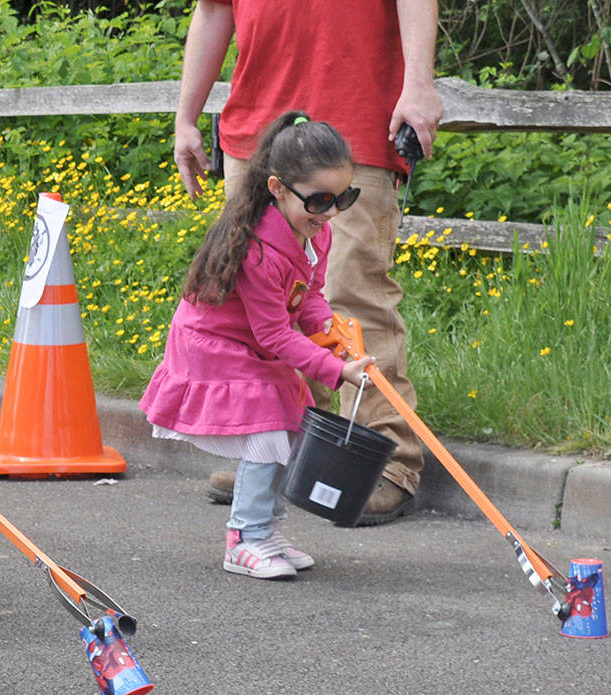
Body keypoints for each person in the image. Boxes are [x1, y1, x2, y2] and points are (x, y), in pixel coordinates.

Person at [172, 0, 443, 524]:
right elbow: (212, 11)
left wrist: (419, 84)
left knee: (350, 295)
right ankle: (280, 453)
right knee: (262, 306)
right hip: (259, 135)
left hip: (356, 126)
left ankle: (386, 461)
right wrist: (186, 117)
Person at [141, 114, 374, 579]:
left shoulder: (315, 233)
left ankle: (265, 530)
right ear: (278, 188)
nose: (330, 212)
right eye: (320, 200)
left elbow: (307, 299)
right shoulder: (258, 251)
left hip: (255, 345)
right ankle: (244, 538)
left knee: (289, 429)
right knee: (267, 430)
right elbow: (273, 333)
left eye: (343, 198)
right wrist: (333, 369)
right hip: (214, 346)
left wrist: (332, 331)